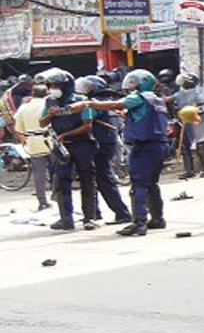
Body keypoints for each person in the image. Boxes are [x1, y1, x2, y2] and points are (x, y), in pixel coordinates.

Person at [69, 69, 169, 237]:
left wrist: (88, 104)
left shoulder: (138, 97)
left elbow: (117, 104)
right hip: (159, 145)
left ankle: (139, 222)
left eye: (133, 82)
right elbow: (140, 115)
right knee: (151, 183)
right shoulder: (156, 99)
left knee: (138, 184)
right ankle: (157, 218)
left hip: (143, 147)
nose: (130, 85)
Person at [39, 68, 98, 231]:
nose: (53, 89)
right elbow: (42, 123)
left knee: (87, 180)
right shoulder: (50, 102)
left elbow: (87, 126)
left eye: (56, 85)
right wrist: (49, 115)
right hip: (61, 146)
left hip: (82, 144)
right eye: (50, 86)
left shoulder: (81, 101)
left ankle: (89, 218)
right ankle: (66, 219)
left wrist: (66, 134)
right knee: (61, 182)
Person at [74, 75, 133, 225]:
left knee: (103, 179)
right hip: (107, 143)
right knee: (95, 178)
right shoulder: (108, 101)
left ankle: (122, 213)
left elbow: (85, 120)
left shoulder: (96, 104)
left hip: (100, 144)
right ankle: (94, 212)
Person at [12, 84, 53, 211]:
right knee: (57, 170)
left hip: (33, 142)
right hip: (52, 140)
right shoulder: (50, 105)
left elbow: (19, 129)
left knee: (38, 172)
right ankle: (59, 196)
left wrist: (25, 142)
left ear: (32, 94)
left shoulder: (24, 108)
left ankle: (42, 201)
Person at [174, 72, 204, 178]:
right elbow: (174, 105)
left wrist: (194, 111)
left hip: (198, 123)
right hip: (185, 123)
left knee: (201, 146)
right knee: (185, 147)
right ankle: (189, 170)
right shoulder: (179, 94)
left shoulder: (197, 94)